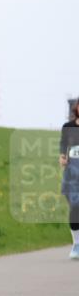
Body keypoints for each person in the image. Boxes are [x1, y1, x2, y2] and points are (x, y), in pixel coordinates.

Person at [58, 99, 79, 259]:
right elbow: (63, 144)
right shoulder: (68, 127)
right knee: (74, 207)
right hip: (72, 173)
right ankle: (76, 244)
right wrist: (62, 157)